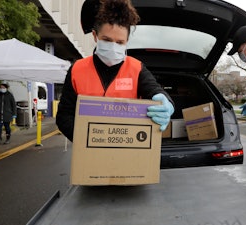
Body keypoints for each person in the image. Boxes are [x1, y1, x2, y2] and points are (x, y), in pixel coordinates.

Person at [56, 0, 174, 142]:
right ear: (95, 36)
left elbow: (154, 90)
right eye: (106, 40)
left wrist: (166, 103)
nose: (113, 46)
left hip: (127, 149)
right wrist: (89, 139)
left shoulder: (136, 69)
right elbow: (64, 116)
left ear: (127, 41)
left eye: (119, 42)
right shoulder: (77, 70)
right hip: (88, 153)